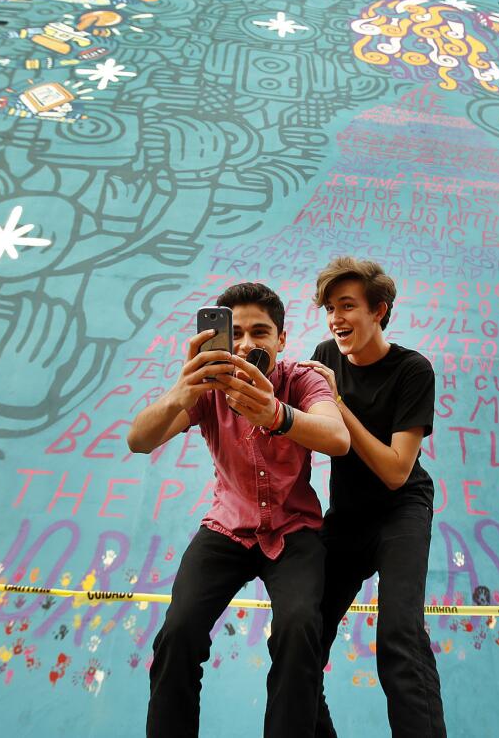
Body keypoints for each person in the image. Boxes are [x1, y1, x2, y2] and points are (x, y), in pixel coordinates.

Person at [127, 281, 350, 738]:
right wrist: (181, 390)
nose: (248, 344)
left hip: (294, 532)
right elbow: (139, 440)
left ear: (281, 340)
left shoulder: (300, 379)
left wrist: (276, 413)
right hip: (226, 529)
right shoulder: (207, 388)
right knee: (178, 633)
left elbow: (337, 437)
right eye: (238, 333)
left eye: (261, 333)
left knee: (299, 630)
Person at [298, 257, 447, 738]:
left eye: (347, 306)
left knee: (399, 637)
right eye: (329, 309)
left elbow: (395, 470)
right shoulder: (326, 354)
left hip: (401, 510)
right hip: (347, 516)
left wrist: (338, 403)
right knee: (299, 637)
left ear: (379, 310)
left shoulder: (411, 370)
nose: (336, 318)